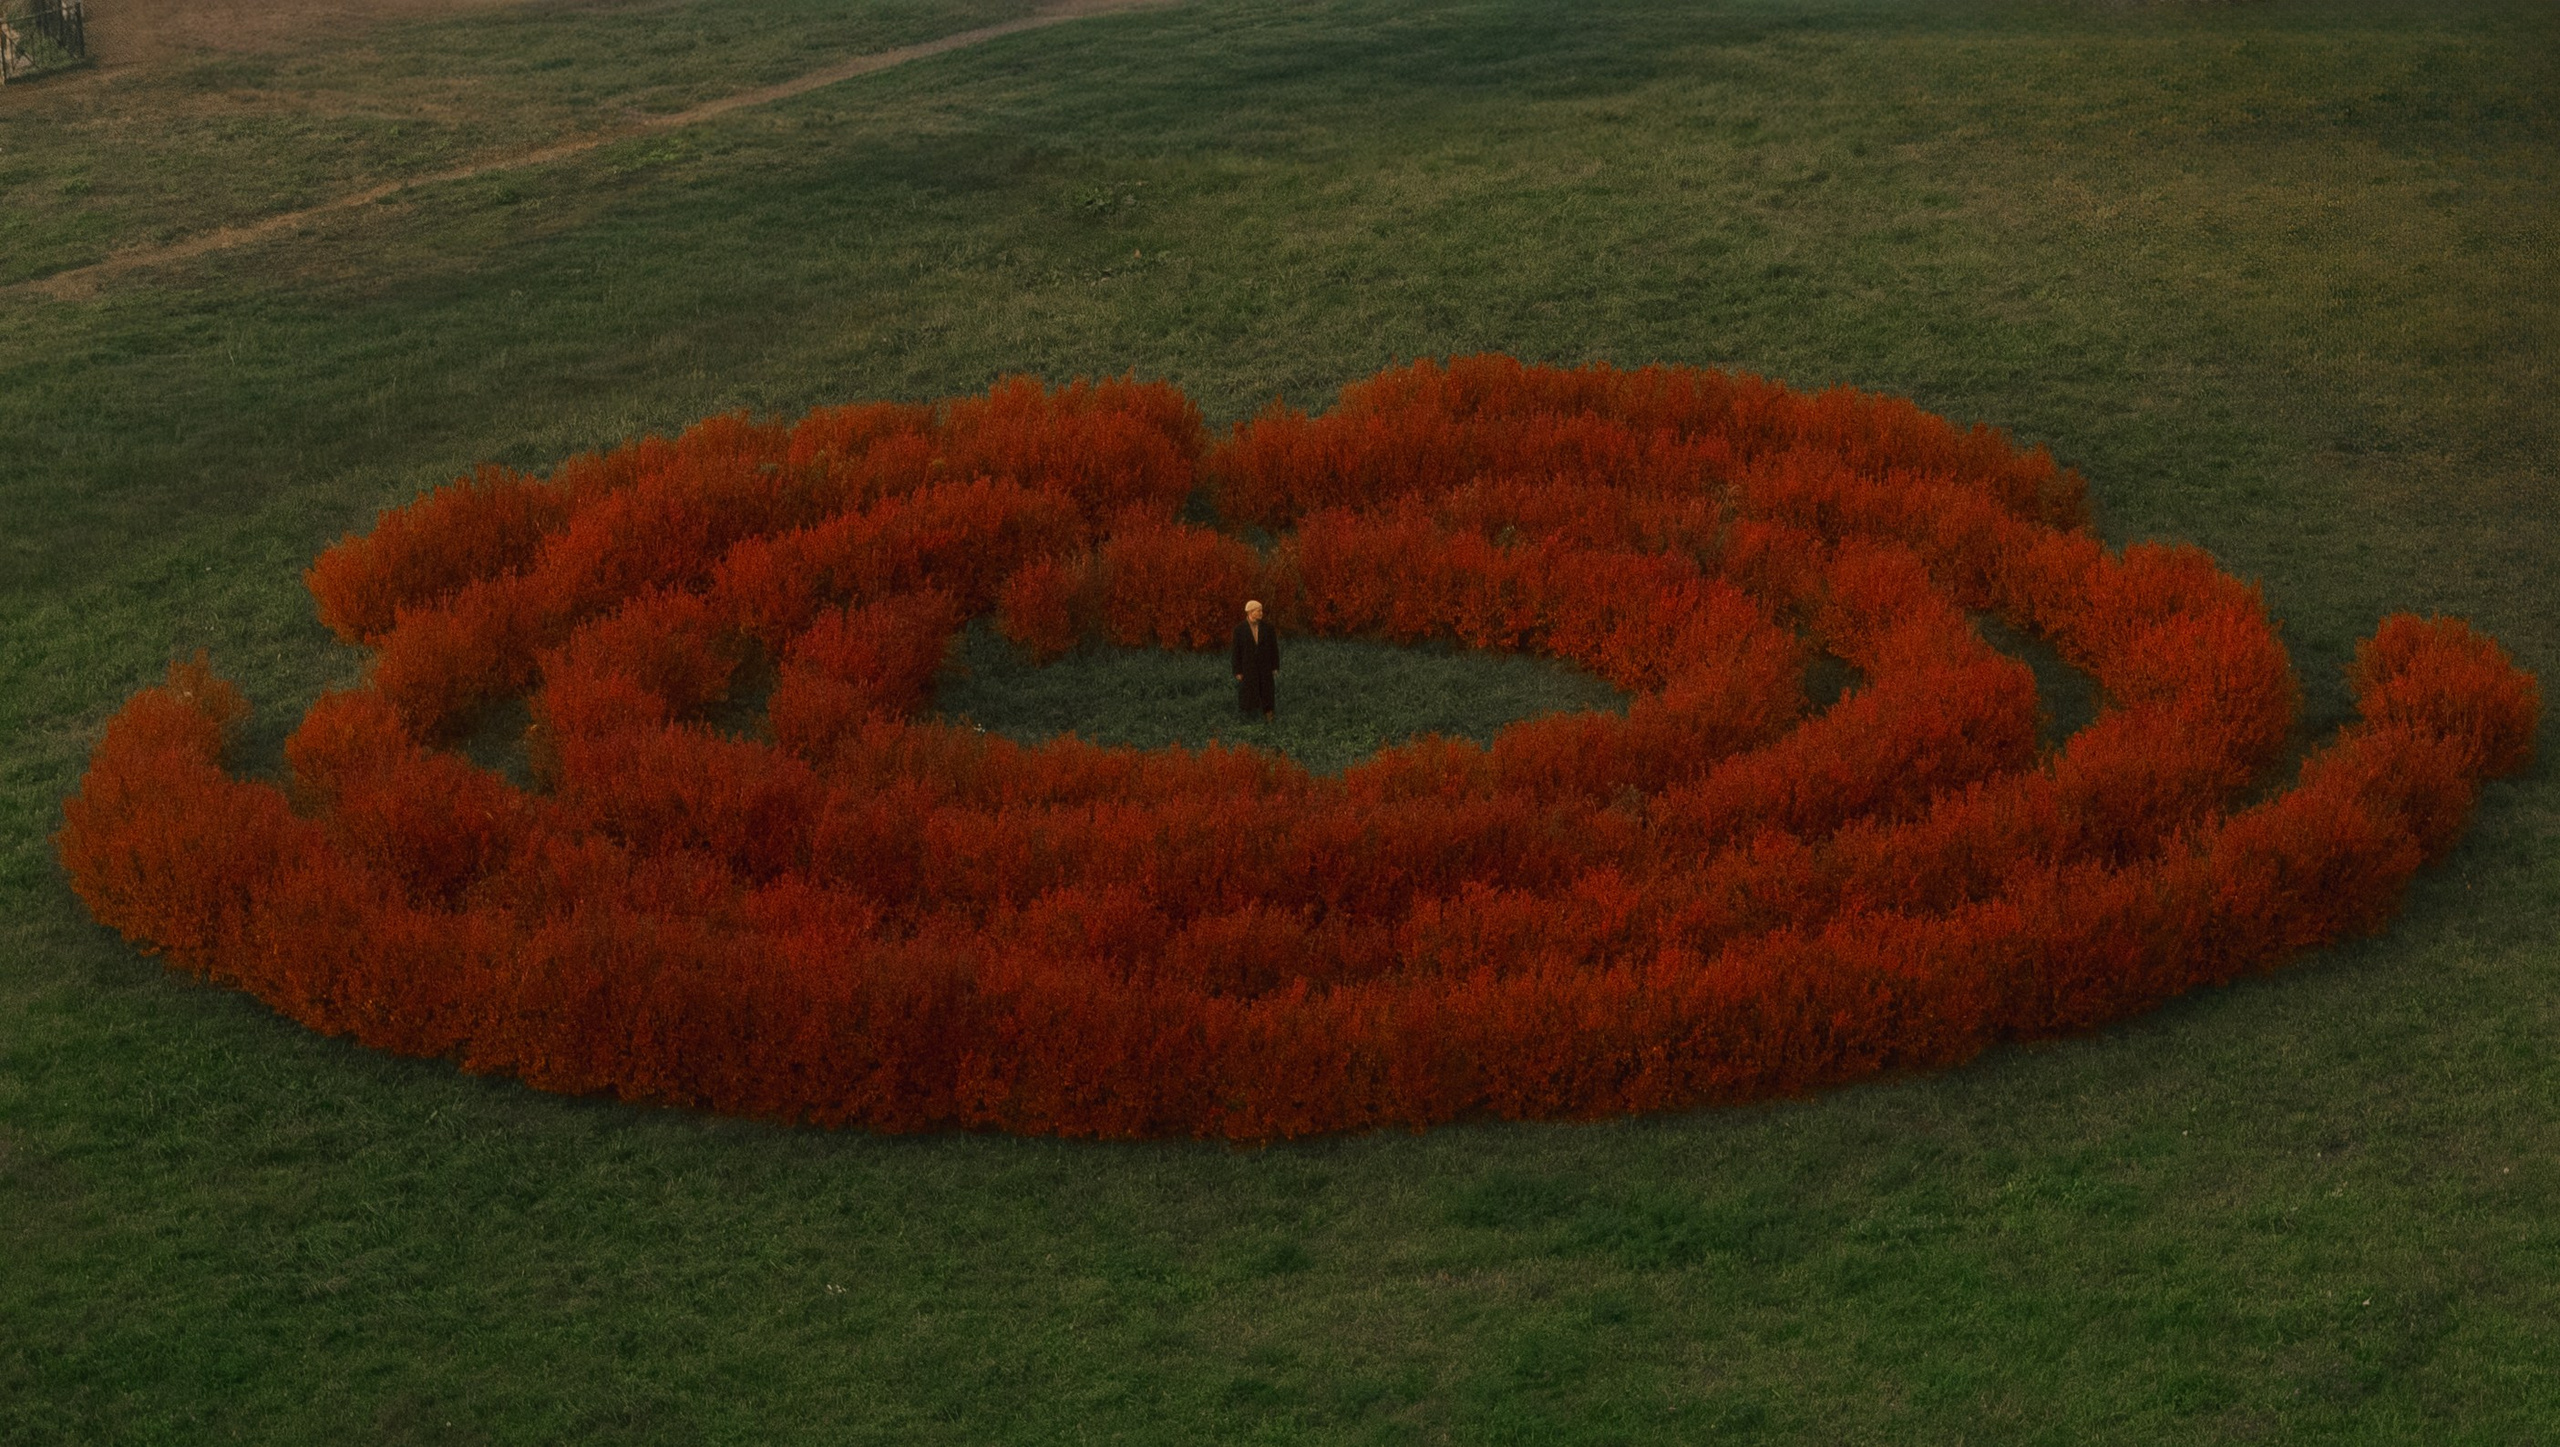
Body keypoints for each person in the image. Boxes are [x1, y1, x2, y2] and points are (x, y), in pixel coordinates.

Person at [1231, 599, 1280, 720]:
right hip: (1248, 667)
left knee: (1267, 690)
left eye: (1261, 610)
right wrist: (1237, 671)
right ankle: (1250, 717)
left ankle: (1269, 714)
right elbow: (1236, 652)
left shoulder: (1268, 628)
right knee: (1249, 691)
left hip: (1265, 666)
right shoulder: (1239, 630)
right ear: (1250, 612)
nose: (1261, 613)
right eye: (1258, 611)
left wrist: (1275, 667)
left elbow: (1274, 649)